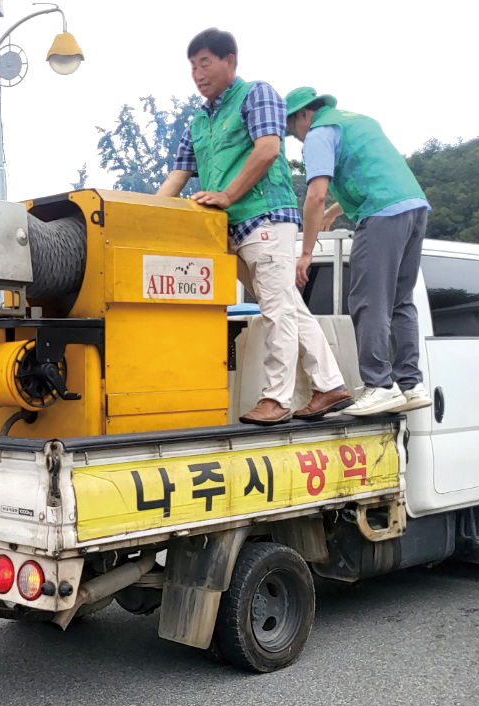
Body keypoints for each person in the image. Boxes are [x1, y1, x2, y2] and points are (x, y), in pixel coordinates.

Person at [156, 29, 350, 425]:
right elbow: (178, 175)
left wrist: (226, 195)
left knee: (277, 308)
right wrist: (142, 217)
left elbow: (268, 150)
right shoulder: (198, 121)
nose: (197, 73)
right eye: (192, 66)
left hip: (265, 217)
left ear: (231, 61)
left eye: (205, 63)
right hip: (229, 229)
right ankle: (329, 384)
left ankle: (276, 399)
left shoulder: (256, 94)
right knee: (285, 305)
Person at [285, 87, 433, 417]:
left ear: (304, 115)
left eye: (293, 129)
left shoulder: (319, 133)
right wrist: (336, 213)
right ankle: (410, 384)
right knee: (400, 300)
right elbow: (376, 173)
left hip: (381, 214)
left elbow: (315, 196)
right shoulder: (357, 122)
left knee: (368, 299)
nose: (296, 137)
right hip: (414, 208)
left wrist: (306, 253)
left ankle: (379, 385)